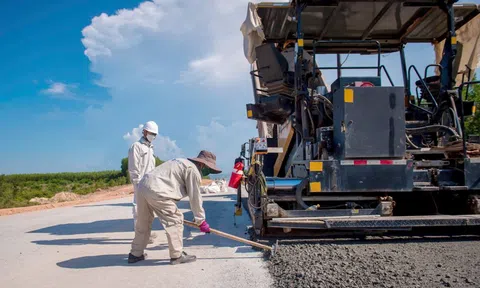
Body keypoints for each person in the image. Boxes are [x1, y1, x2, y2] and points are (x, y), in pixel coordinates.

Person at [127, 150, 222, 265]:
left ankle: (135, 254)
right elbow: (195, 197)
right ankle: (177, 255)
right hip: (157, 189)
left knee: (144, 222)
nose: (208, 171)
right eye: (208, 168)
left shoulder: (182, 162)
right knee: (175, 220)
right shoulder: (193, 171)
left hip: (143, 185)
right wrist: (200, 220)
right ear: (202, 164)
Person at [128, 120, 158, 244]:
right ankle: (139, 234)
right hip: (140, 183)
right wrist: (137, 183)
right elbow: (134, 167)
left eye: (155, 135)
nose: (153, 136)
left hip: (150, 183)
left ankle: (147, 233)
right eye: (151, 133)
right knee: (139, 209)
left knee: (149, 210)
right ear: (145, 132)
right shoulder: (136, 146)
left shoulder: (150, 148)